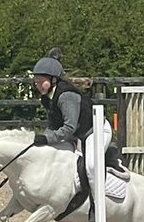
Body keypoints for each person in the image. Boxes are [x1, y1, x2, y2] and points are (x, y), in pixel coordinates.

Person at [30, 50, 129, 189]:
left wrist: (47, 139)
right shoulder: (47, 97)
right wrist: (43, 138)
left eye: (41, 82)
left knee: (90, 166)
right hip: (78, 134)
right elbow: (53, 125)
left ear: (53, 80)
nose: (38, 85)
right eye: (36, 82)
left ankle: (96, 203)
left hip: (95, 131)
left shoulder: (66, 96)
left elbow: (69, 127)